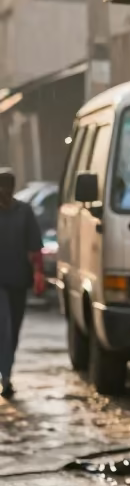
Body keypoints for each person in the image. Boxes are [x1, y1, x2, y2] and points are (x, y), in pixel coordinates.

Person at [0, 170, 44, 398]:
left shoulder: (23, 212)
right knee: (4, 328)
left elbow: (35, 247)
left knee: (13, 330)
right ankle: (6, 377)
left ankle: (6, 372)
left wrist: (38, 274)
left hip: (18, 279)